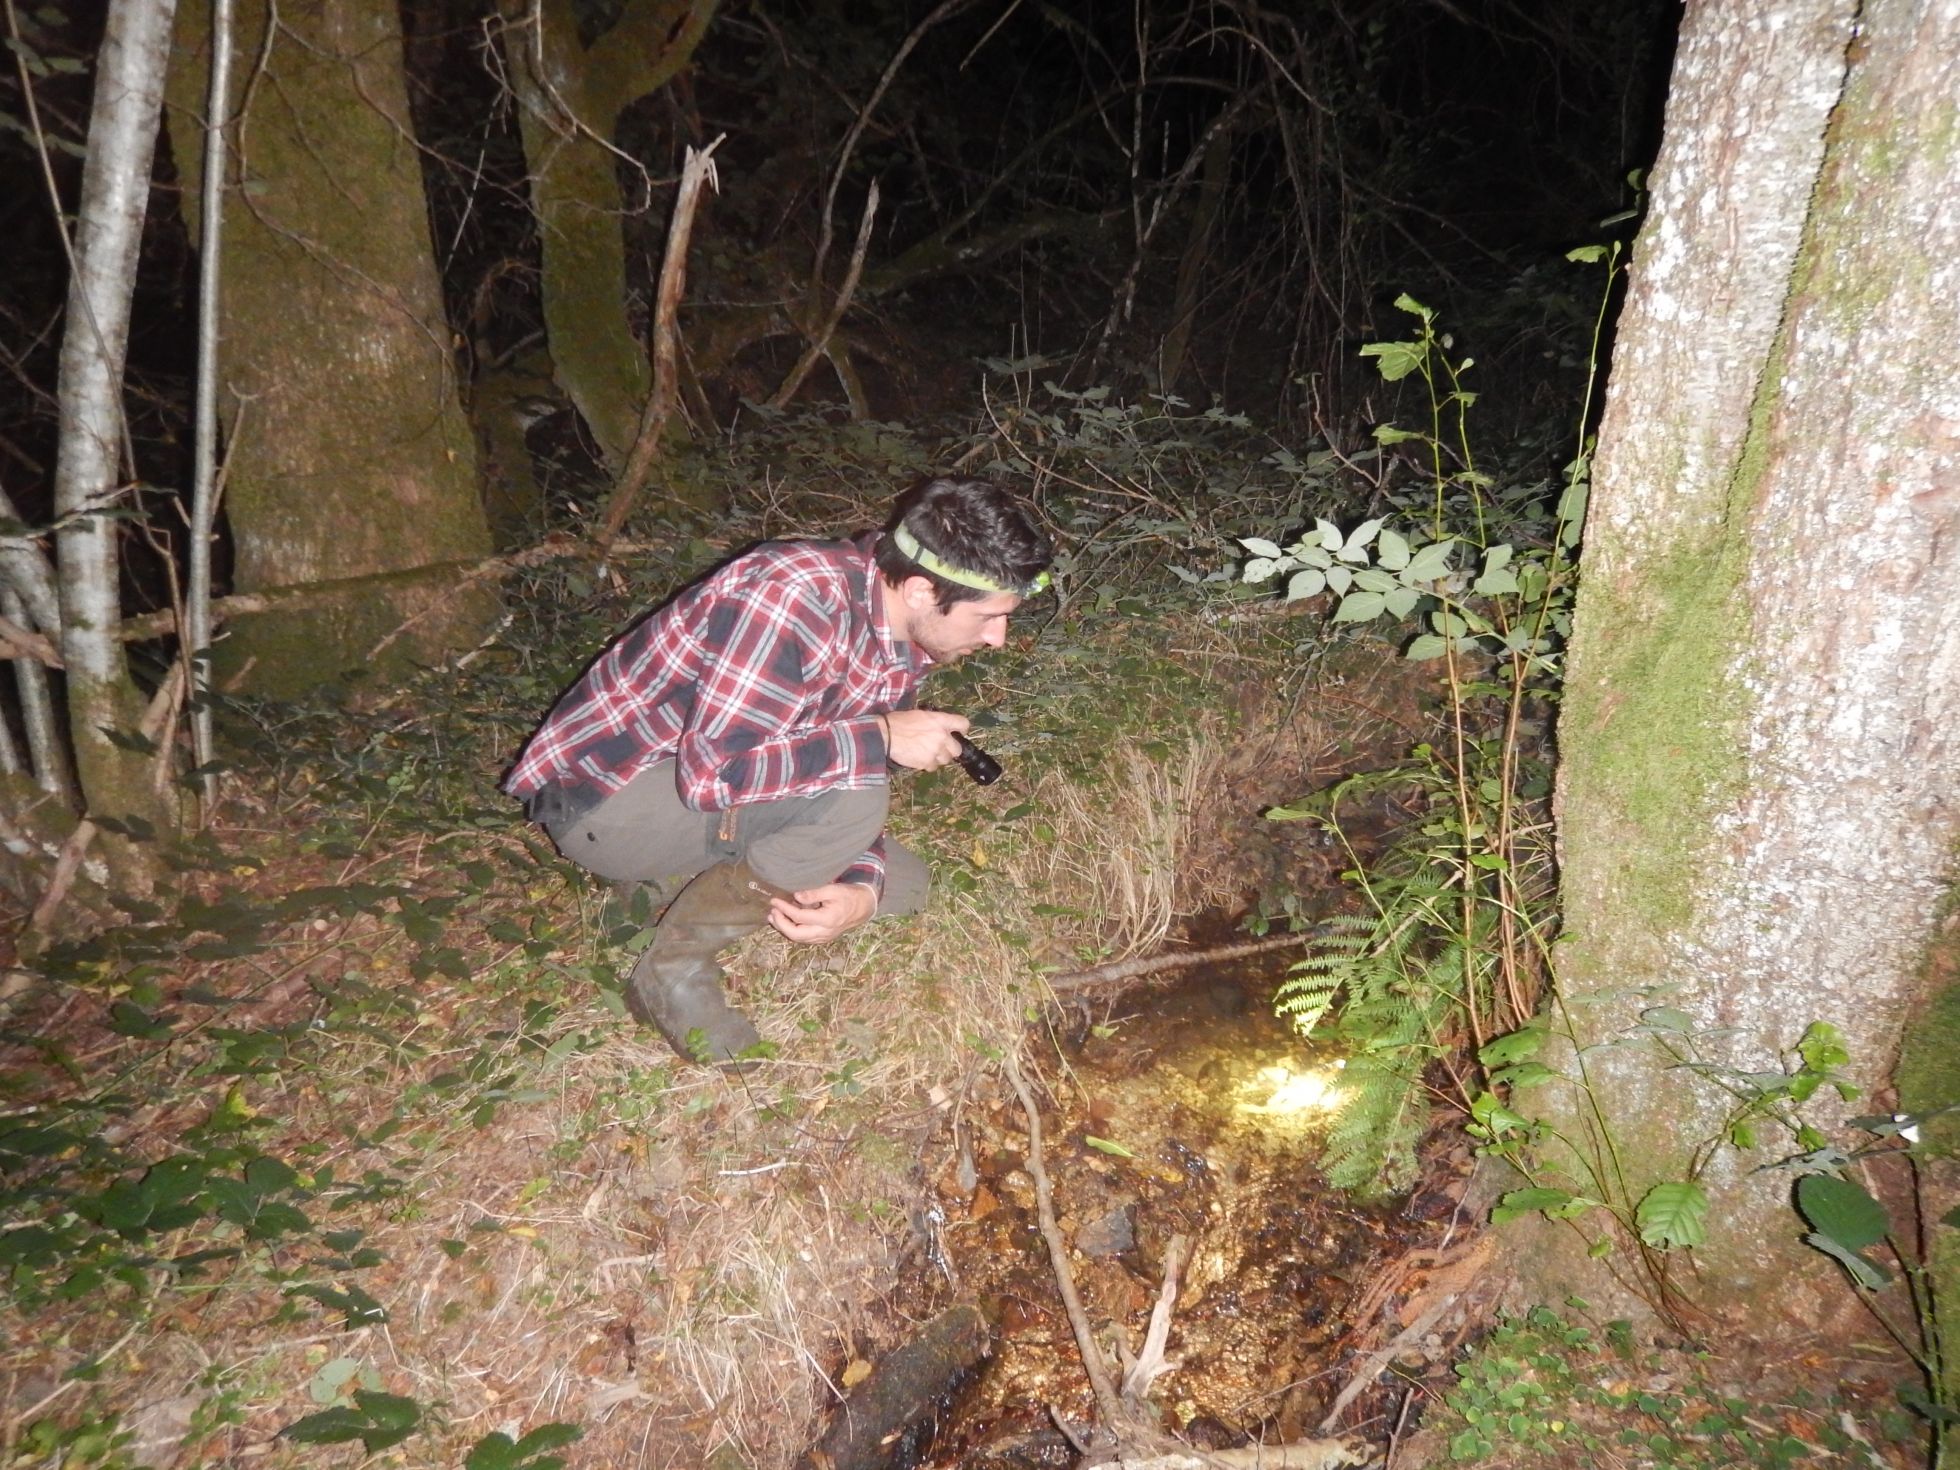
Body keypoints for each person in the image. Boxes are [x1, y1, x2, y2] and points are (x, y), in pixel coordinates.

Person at [505, 476, 1054, 1065]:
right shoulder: (789, 594)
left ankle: (679, 880)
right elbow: (715, 776)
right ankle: (671, 969)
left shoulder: (899, 636)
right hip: (607, 801)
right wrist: (880, 736)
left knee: (903, 885)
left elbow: (829, 767)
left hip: (701, 798)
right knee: (852, 799)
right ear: (922, 590)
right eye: (989, 617)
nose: (998, 638)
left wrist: (862, 891)